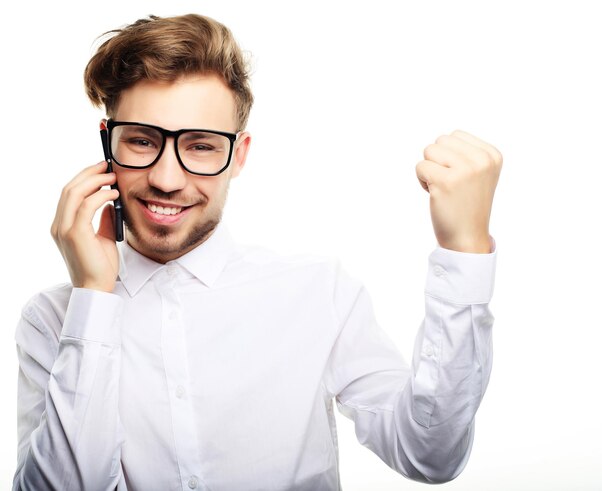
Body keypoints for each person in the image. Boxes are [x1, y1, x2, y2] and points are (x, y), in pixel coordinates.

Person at [13, 13, 501, 491]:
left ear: (238, 156)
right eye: (142, 141)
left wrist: (464, 251)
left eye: (201, 146)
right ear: (107, 144)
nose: (166, 179)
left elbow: (430, 455)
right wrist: (94, 299)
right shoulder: (55, 319)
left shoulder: (317, 291)